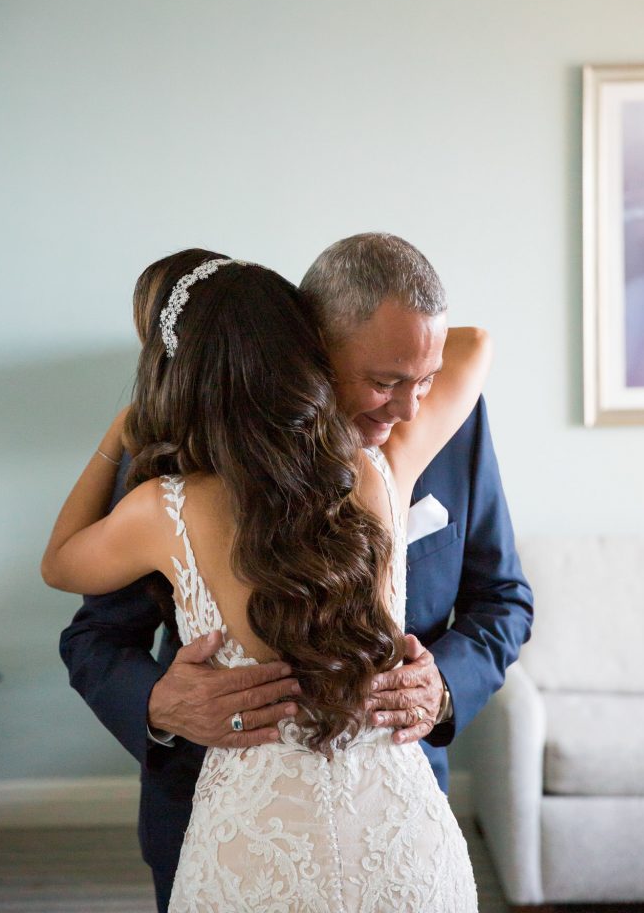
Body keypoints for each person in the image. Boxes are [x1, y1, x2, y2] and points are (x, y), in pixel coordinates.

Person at [59, 235, 533, 910]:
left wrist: (443, 686)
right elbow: (94, 635)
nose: (407, 410)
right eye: (382, 381)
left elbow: (503, 598)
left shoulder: (444, 421)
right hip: (222, 816)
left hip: (395, 814)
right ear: (310, 354)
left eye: (423, 381)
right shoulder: (182, 459)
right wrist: (158, 703)